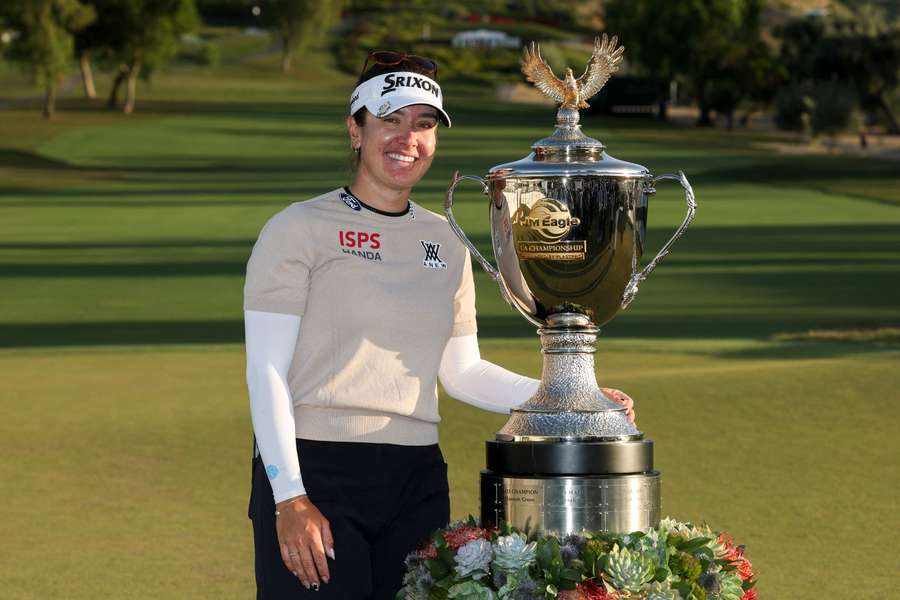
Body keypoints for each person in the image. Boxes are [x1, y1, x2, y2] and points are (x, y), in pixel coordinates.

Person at [244, 51, 636, 600]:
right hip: (316, 471)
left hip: (415, 480)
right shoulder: (297, 229)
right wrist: (289, 498)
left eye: (424, 125)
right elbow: (266, 371)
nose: (408, 138)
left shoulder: (446, 241)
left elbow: (461, 371)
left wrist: (565, 397)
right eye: (390, 120)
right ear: (355, 130)